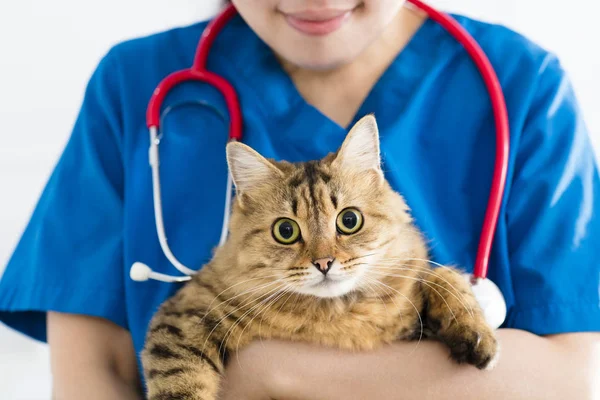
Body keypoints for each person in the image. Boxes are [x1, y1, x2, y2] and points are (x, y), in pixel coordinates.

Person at [1, 0, 599, 398]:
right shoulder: (134, 86)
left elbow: (574, 378)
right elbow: (94, 377)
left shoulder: (525, 85)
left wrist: (273, 372)